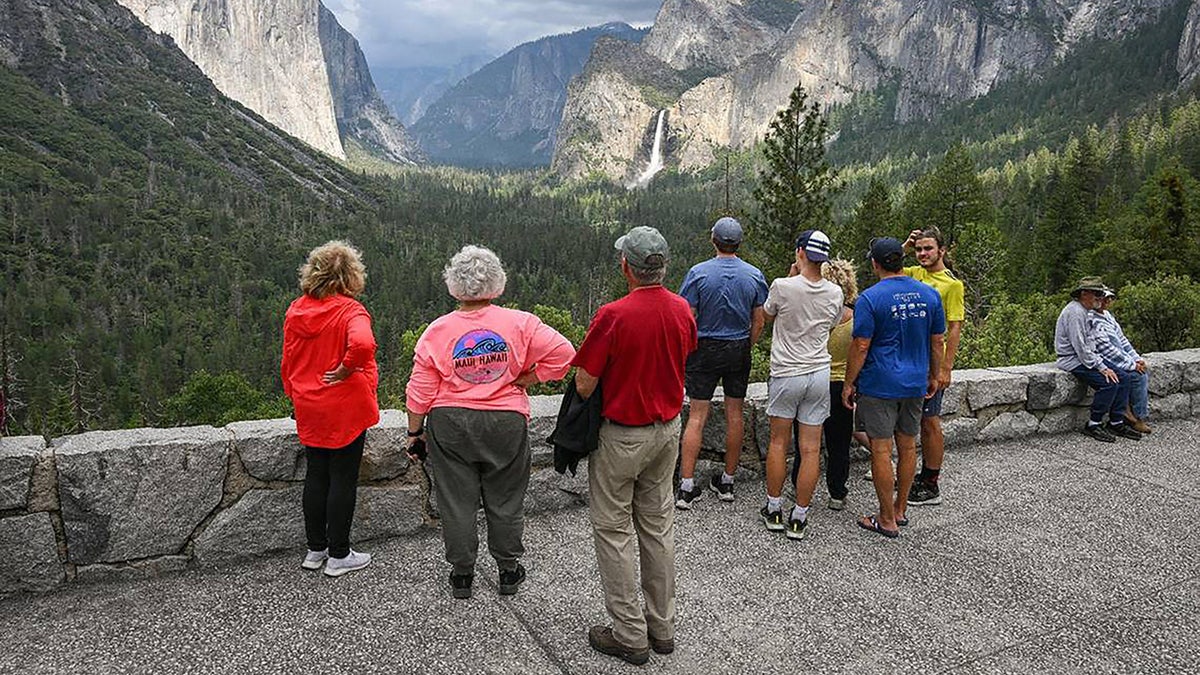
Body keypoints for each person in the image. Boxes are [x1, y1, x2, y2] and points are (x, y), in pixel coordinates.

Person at [405, 245, 575, 599]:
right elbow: (566, 355)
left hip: (450, 423)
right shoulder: (521, 323)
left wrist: (414, 433)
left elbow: (420, 391)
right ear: (497, 284)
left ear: (454, 286)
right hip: (505, 421)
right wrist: (528, 379)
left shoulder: (437, 331)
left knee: (456, 502)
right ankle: (509, 570)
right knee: (506, 499)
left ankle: (462, 574)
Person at [572, 226, 697, 665]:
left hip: (623, 435)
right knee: (658, 527)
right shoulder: (683, 309)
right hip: (667, 431)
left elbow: (585, 383)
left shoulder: (613, 315)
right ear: (661, 265)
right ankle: (662, 628)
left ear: (627, 266)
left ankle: (629, 634)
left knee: (613, 530)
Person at [281, 241, 380, 577]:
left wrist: (294, 396)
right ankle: (339, 555)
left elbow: (288, 360)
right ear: (351, 274)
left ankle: (315, 550)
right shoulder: (350, 311)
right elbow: (363, 344)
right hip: (345, 406)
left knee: (317, 474)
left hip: (309, 402)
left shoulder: (296, 310)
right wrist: (347, 368)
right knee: (343, 478)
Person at [842, 238, 945, 539]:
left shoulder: (870, 299)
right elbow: (937, 340)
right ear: (902, 260)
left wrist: (849, 383)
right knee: (908, 446)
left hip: (880, 384)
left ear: (875, 264)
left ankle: (885, 518)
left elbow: (861, 345)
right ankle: (900, 510)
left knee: (881, 449)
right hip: (915, 381)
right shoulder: (929, 295)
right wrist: (934, 376)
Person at [675, 216, 768, 508]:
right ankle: (728, 481)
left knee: (697, 415)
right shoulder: (753, 275)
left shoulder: (698, 273)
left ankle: (686, 486)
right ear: (738, 243)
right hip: (738, 346)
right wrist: (746, 344)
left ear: (713, 240)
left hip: (703, 347)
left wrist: (691, 348)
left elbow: (687, 316)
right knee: (735, 415)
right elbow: (759, 320)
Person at [761, 231, 843, 540]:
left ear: (800, 252)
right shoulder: (835, 293)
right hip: (819, 374)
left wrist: (790, 275)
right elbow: (833, 323)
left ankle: (774, 508)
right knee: (810, 449)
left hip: (786, 373)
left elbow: (768, 314)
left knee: (778, 444)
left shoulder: (782, 286)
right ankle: (800, 516)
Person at [789, 258, 863, 512]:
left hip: (812, 378)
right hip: (841, 384)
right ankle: (837, 492)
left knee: (805, 442)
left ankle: (798, 486)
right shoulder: (855, 318)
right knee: (839, 442)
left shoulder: (813, 314)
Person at [900, 227, 964, 507]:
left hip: (931, 363)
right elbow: (886, 268)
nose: (923, 254)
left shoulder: (952, 284)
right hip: (910, 359)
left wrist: (945, 369)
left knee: (930, 422)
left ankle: (930, 482)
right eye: (919, 249)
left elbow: (954, 328)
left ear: (942, 250)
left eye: (928, 249)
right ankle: (914, 473)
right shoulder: (915, 273)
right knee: (912, 422)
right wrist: (903, 247)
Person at [1054, 277, 1141, 442]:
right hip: (1073, 360)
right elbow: (1080, 347)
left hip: (1087, 357)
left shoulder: (1084, 310)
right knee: (1108, 383)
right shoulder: (1075, 313)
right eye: (1097, 294)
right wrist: (1101, 367)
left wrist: (1101, 363)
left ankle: (1116, 422)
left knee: (1124, 377)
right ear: (1084, 293)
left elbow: (1089, 344)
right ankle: (1093, 424)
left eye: (1101, 294)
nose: (1101, 298)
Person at [1090, 289, 1151, 433]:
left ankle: (1132, 415)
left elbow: (1122, 341)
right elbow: (1105, 349)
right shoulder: (1093, 319)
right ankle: (1134, 417)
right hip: (1106, 358)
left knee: (1139, 374)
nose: (1107, 301)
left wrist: (1136, 358)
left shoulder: (1107, 316)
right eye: (1104, 298)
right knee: (1135, 376)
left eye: (1110, 298)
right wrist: (1131, 365)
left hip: (1119, 357)